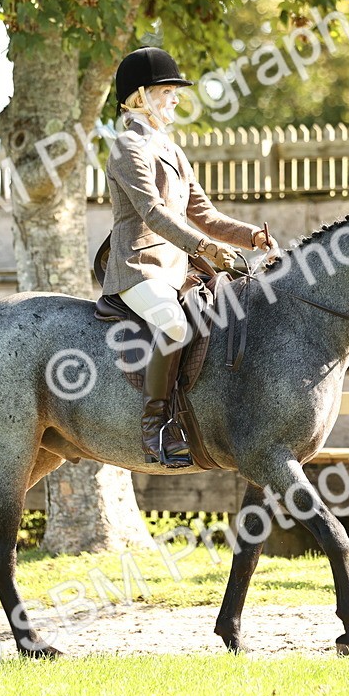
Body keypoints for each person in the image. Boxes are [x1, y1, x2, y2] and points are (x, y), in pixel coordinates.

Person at [103, 46, 279, 469]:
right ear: (140, 96)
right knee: (176, 324)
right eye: (167, 91)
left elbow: (205, 215)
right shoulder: (128, 147)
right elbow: (153, 213)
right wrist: (204, 248)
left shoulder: (172, 150)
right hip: (138, 268)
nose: (176, 99)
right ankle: (155, 428)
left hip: (177, 268)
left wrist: (250, 236)